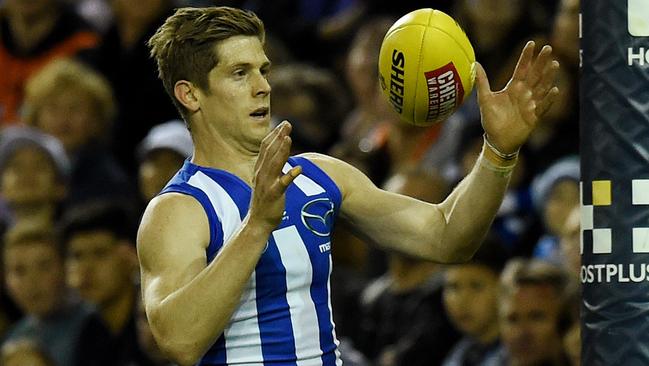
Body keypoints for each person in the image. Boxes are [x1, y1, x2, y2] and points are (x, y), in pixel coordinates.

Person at [137, 6, 559, 365]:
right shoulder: (178, 209)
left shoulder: (319, 174)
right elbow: (179, 341)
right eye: (239, 73)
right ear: (191, 95)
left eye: (263, 70)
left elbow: (447, 236)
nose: (263, 85)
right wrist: (255, 228)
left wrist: (498, 152)